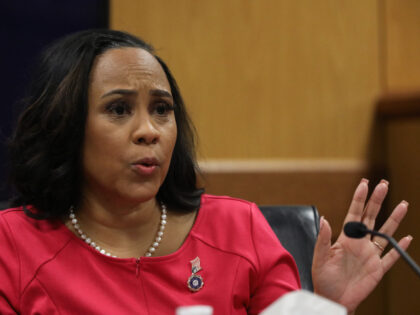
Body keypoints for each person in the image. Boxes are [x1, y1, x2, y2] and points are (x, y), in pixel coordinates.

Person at [0, 29, 412, 314]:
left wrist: (330, 306)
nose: (149, 131)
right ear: (65, 124)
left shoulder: (238, 227)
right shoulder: (11, 245)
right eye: (118, 109)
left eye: (162, 109)